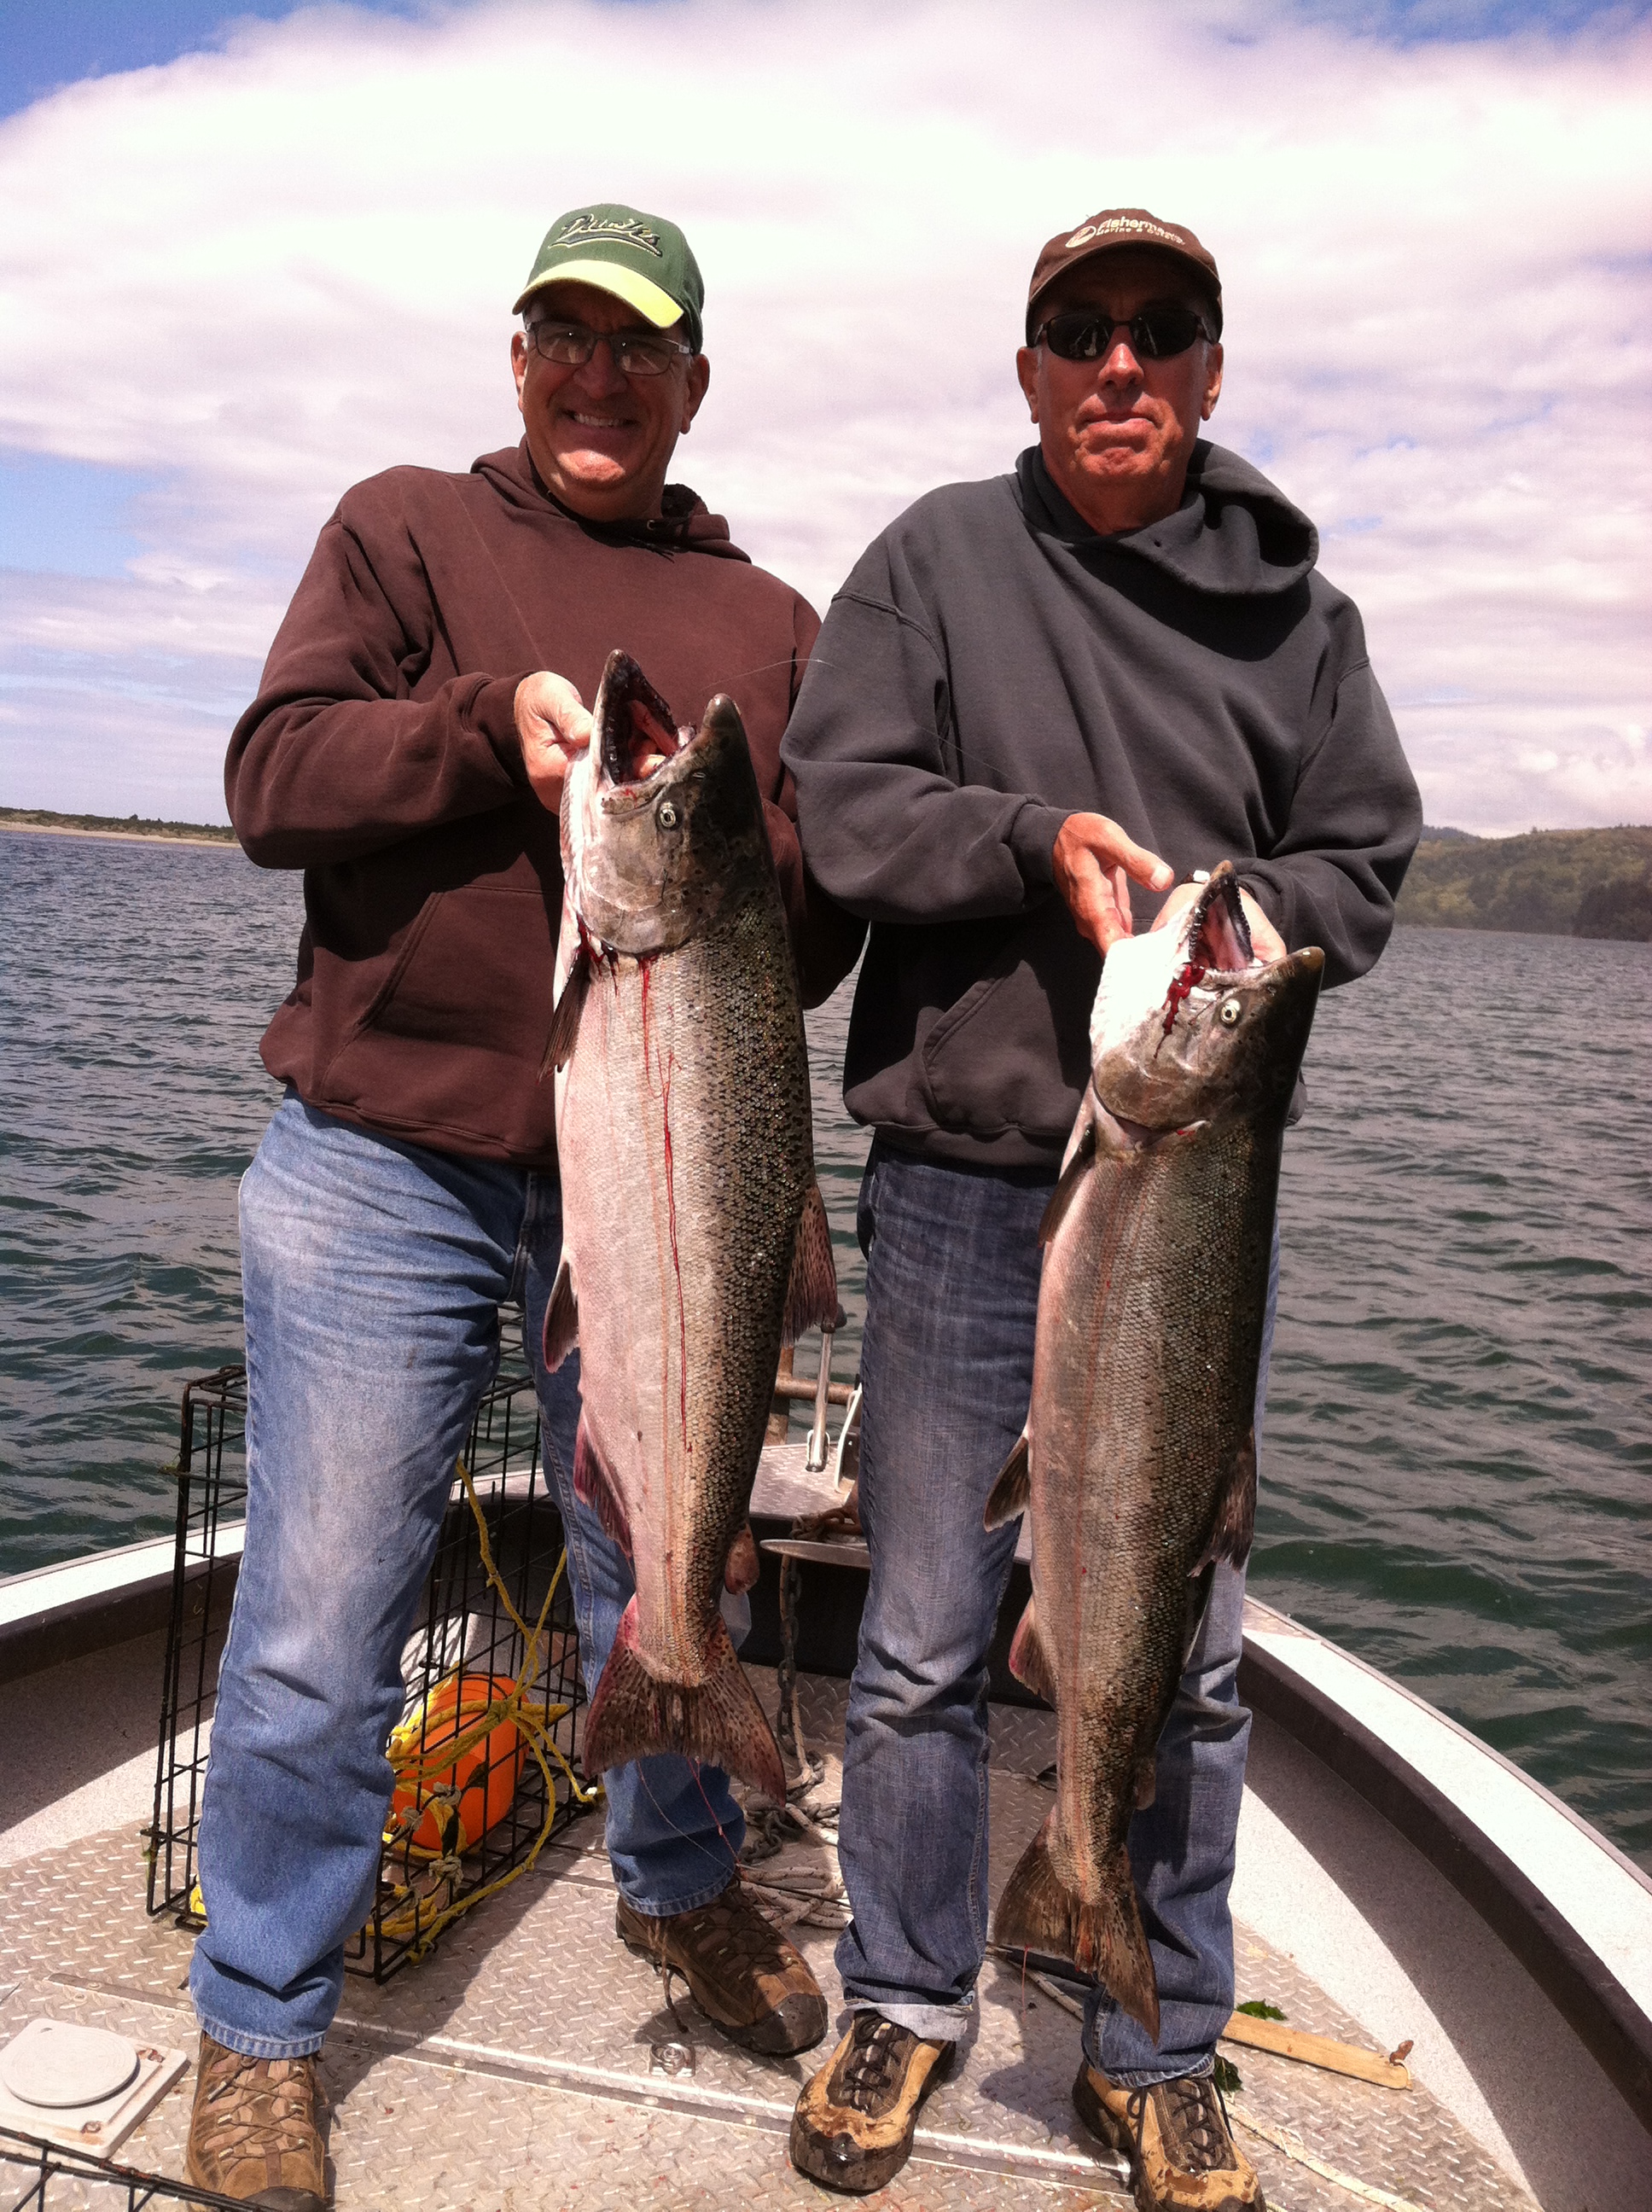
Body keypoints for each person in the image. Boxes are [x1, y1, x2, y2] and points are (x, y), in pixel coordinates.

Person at [186, 202, 859, 2210]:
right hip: (381, 1163)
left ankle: (673, 1882)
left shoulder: (771, 623)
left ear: (692, 385)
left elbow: (804, 946)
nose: (597, 378)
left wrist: (760, 851)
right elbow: (272, 782)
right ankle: (259, 2028)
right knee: (320, 1616)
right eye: (562, 339)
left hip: (657, 1183)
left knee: (671, 1559)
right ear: (515, 360)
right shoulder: (401, 529)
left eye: (637, 350)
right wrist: (493, 729)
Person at [780, 207, 1421, 2208]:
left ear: (1211, 368)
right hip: (969, 1190)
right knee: (915, 1638)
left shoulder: (1298, 615)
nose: (1117, 364)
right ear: (1031, 363)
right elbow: (843, 804)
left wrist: (1239, 920)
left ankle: (1150, 2041)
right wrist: (1021, 838)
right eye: (1078, 330)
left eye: (1159, 331)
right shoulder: (933, 560)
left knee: (1183, 1656)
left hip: (1188, 1195)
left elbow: (1363, 864)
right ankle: (901, 1995)